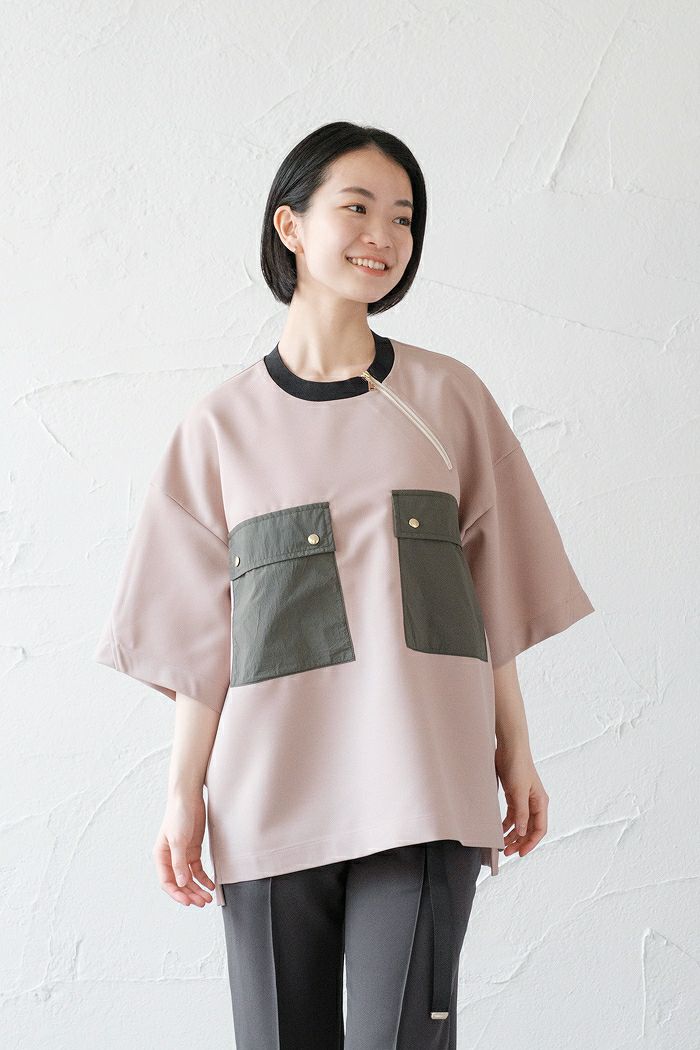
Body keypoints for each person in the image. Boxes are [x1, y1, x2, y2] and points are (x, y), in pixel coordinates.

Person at [94, 121, 595, 1048]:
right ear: (289, 225)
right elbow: (202, 650)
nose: (384, 235)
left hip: (426, 787)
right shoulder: (219, 429)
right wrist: (182, 795)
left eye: (403, 217)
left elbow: (492, 599)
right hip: (268, 803)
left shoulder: (449, 401)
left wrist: (516, 751)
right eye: (357, 208)